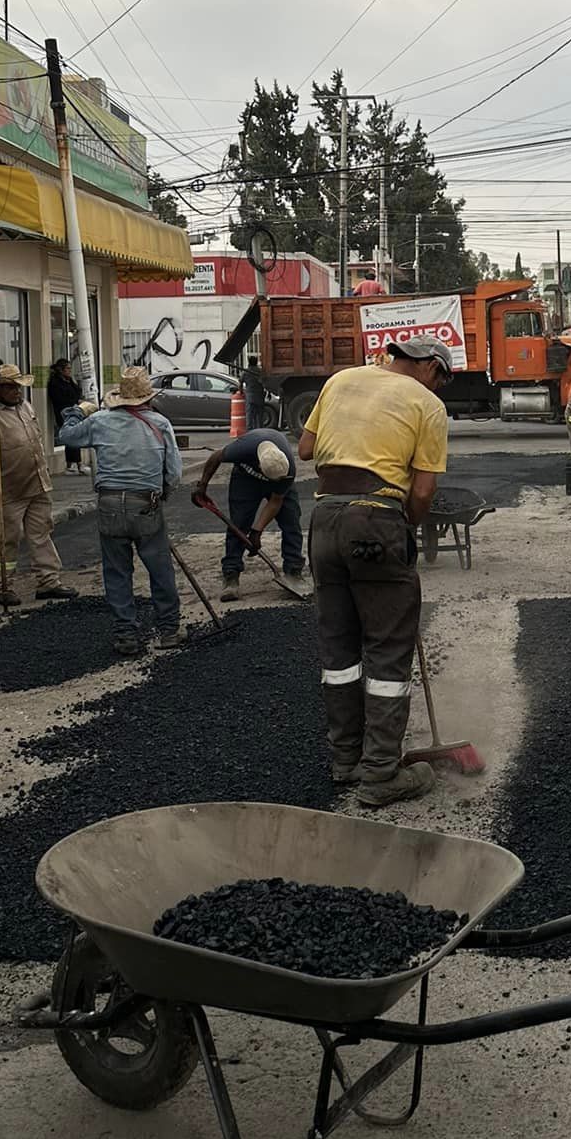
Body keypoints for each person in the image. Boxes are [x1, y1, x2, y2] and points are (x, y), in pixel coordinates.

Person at [298, 336, 451, 808]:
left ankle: (345, 760)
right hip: (376, 517)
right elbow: (423, 492)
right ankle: (381, 772)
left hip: (324, 521)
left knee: (340, 650)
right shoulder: (427, 404)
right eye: (442, 376)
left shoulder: (342, 380)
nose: (441, 385)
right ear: (428, 368)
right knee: (387, 650)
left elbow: (306, 449)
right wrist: (404, 530)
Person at [57, 366, 184, 656]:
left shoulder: (100, 421)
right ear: (148, 398)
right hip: (145, 502)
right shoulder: (160, 424)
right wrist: (162, 493)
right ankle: (168, 630)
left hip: (110, 502)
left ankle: (125, 633)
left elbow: (67, 437)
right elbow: (174, 472)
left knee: (117, 571)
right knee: (159, 568)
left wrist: (77, 412)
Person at [0, 364, 76, 607]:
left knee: (42, 533)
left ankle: (49, 581)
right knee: (7, 538)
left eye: (19, 386)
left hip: (38, 482)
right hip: (9, 487)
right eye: (11, 387)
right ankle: (2, 585)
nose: (17, 391)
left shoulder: (24, 406)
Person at [191, 429, 305, 600]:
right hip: (245, 480)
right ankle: (231, 574)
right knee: (239, 524)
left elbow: (275, 502)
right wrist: (202, 486)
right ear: (259, 465)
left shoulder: (286, 469)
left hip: (278, 478)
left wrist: (257, 532)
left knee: (291, 522)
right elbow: (215, 457)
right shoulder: (242, 449)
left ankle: (294, 571)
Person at [48, 357, 85, 472]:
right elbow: (60, 399)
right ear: (61, 370)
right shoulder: (55, 383)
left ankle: (77, 463)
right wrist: (74, 401)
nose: (69, 371)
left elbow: (77, 391)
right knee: (71, 437)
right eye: (67, 369)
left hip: (74, 411)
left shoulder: (68, 381)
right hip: (63, 413)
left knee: (75, 436)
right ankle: (71, 463)